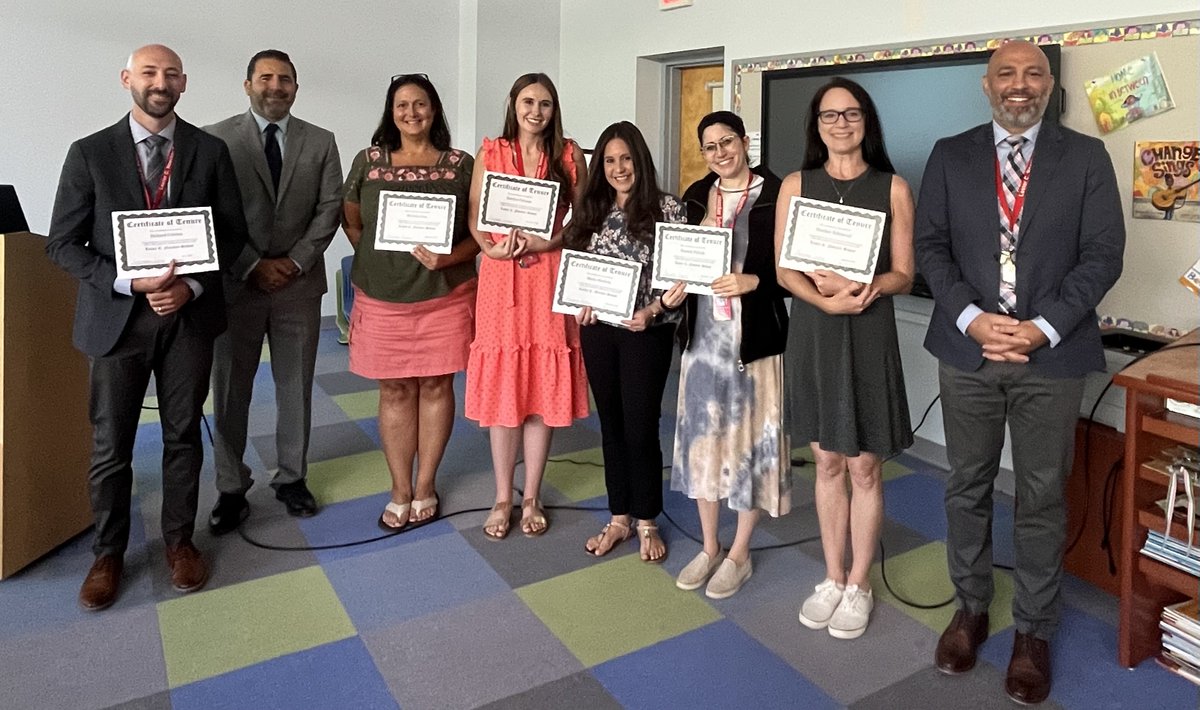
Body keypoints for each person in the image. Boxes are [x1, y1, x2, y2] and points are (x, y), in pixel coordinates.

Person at [915, 40, 1124, 704]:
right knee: (966, 486)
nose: (1019, 83)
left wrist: (1043, 327)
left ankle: (1033, 630)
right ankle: (970, 609)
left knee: (1041, 495)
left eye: (1034, 73)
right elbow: (931, 247)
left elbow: (1103, 253)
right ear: (987, 85)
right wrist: (973, 318)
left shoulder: (1086, 157)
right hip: (969, 351)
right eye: (1006, 73)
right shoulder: (950, 155)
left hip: (1051, 356)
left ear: (1049, 85)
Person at [46, 44, 249, 610]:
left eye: (171, 74)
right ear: (126, 79)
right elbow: (62, 244)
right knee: (112, 444)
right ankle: (108, 553)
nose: (161, 82)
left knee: (183, 435)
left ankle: (180, 542)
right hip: (117, 321)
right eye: (149, 72)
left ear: (184, 83)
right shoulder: (89, 153)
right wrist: (127, 282)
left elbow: (232, 234)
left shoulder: (209, 151)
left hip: (189, 318)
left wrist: (192, 287)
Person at [775, 78, 915, 640]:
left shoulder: (893, 187)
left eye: (851, 113)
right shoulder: (796, 184)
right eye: (830, 115)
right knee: (827, 461)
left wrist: (864, 288)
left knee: (864, 465)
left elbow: (904, 273)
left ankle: (859, 584)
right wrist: (825, 302)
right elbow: (785, 270)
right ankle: (832, 577)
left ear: (866, 121)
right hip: (814, 330)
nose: (841, 124)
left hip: (868, 330)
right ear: (817, 125)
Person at [204, 49, 343, 531]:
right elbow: (210, 211)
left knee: (295, 386)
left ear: (296, 88)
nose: (276, 86)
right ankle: (230, 486)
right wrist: (250, 264)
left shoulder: (321, 141)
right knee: (230, 390)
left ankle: (291, 477)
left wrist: (297, 260)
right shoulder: (215, 139)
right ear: (247, 85)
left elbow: (330, 208)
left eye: (285, 79)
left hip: (298, 286)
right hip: (235, 284)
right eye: (265, 77)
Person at [342, 73, 479, 530]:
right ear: (391, 112)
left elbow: (479, 232)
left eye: (420, 104)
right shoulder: (368, 161)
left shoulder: (460, 164)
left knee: (438, 386)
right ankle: (400, 488)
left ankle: (426, 485)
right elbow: (352, 220)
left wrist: (448, 258)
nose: (411, 113)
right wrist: (379, 258)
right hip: (383, 298)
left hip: (445, 295)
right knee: (395, 389)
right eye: (402, 105)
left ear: (434, 109)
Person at [671, 110, 791, 599]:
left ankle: (739, 553)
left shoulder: (778, 194)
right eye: (710, 146)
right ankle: (709, 546)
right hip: (703, 341)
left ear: (744, 142)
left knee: (748, 447)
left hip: (754, 340)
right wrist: (674, 288)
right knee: (703, 443)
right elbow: (679, 259)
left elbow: (796, 271)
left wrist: (755, 281)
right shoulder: (696, 196)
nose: (720, 152)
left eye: (727, 142)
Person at [465, 73, 589, 540]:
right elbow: (475, 214)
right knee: (504, 389)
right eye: (528, 102)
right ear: (513, 104)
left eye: (545, 103)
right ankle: (503, 496)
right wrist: (489, 248)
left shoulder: (569, 154)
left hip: (549, 274)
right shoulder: (491, 152)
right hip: (501, 277)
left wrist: (550, 241)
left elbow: (583, 217)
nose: (536, 111)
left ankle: (532, 494)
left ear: (554, 110)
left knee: (540, 387)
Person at [564, 121, 687, 563]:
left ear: (641, 160)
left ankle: (647, 518)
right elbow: (574, 269)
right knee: (611, 424)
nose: (619, 168)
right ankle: (619, 517)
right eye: (610, 161)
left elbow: (680, 279)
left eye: (626, 159)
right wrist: (577, 304)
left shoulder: (668, 209)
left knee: (641, 425)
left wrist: (653, 311)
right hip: (598, 330)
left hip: (646, 332)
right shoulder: (590, 209)